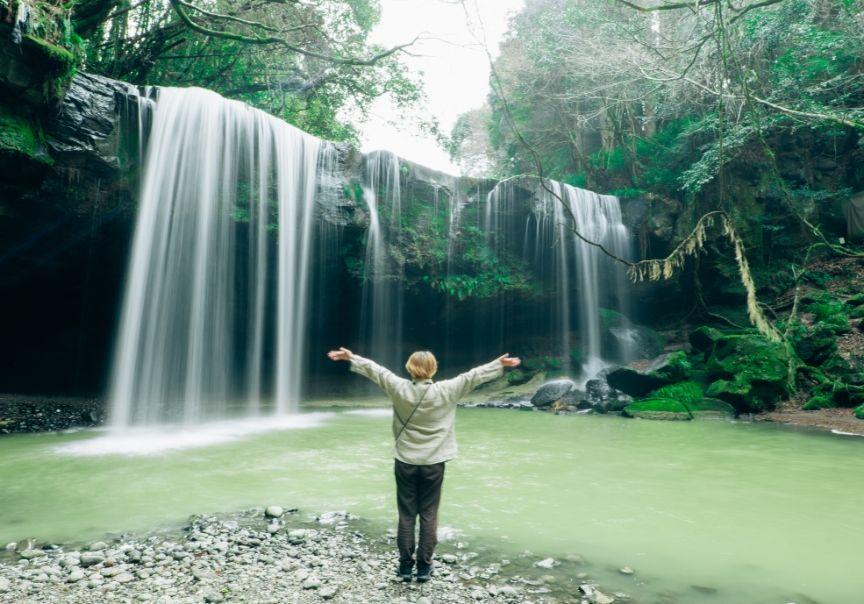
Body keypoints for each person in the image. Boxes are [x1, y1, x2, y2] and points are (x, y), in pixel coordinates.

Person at [326, 347, 521, 583]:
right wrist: (498, 363)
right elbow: (473, 376)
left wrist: (352, 358)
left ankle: (405, 567)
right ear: (433, 369)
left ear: (410, 368)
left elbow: (376, 371)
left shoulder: (399, 388)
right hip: (434, 462)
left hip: (405, 460)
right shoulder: (447, 390)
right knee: (429, 513)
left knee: (407, 514)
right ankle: (424, 568)